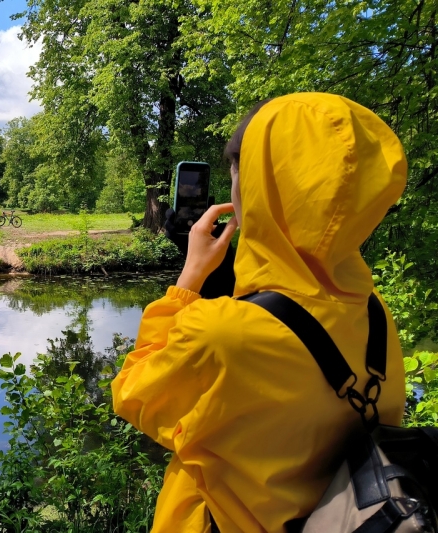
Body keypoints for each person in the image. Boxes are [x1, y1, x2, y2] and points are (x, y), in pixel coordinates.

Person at [111, 93, 408, 533]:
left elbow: (133, 393)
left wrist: (190, 278)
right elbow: (293, 328)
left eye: (238, 171)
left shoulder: (220, 334)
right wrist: (227, 279)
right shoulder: (375, 314)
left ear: (253, 183)